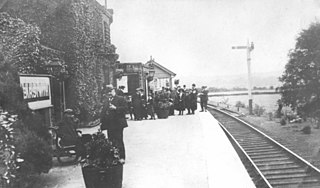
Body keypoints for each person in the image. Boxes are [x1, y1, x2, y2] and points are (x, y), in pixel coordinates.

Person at [100, 84, 128, 162]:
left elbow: (126, 109)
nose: (109, 93)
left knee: (119, 140)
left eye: (110, 91)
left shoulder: (120, 99)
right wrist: (101, 122)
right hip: (110, 124)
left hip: (118, 124)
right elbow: (103, 112)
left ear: (114, 91)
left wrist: (116, 108)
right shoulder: (106, 101)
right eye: (107, 92)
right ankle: (113, 157)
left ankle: (122, 157)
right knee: (111, 140)